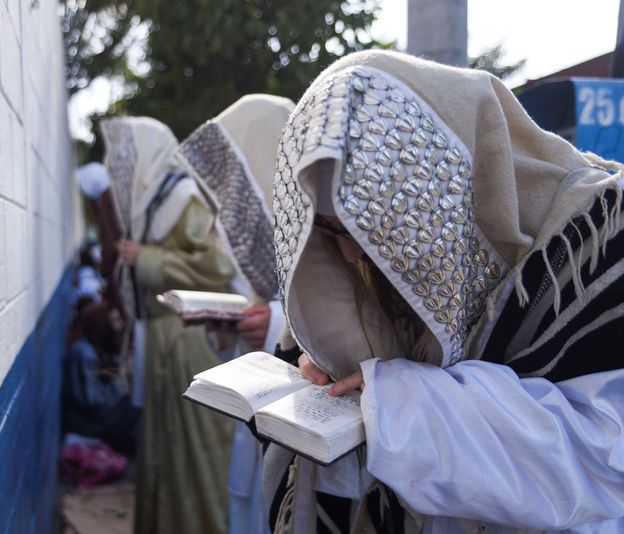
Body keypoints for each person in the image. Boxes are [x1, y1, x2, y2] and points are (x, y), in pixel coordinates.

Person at [265, 50, 624, 532]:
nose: (350, 256)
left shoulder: (598, 241)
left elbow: (604, 455)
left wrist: (401, 401)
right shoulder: (352, 262)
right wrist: (330, 364)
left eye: (371, 229)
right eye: (331, 231)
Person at [99, 116, 236, 534]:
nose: (120, 167)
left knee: (189, 454)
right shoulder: (152, 203)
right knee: (164, 452)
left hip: (184, 344)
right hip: (161, 343)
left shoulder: (181, 197)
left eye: (128, 157)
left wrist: (149, 260)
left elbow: (217, 266)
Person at [178, 94, 295, 534]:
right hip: (254, 424)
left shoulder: (325, 237)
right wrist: (226, 332)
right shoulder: (245, 240)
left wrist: (278, 328)